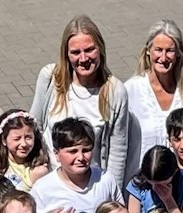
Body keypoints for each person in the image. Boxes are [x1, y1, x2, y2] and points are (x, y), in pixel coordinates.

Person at [30, 17, 133, 180]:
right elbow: (34, 128)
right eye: (76, 52)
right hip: (51, 184)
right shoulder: (51, 78)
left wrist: (113, 197)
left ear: (100, 49)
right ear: (66, 54)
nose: (83, 59)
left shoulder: (115, 91)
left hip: (92, 186)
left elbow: (117, 154)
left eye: (89, 50)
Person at [123, 21, 183, 176]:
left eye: (169, 51)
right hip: (141, 183)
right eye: (158, 50)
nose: (163, 57)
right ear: (148, 51)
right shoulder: (131, 90)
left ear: (178, 54)